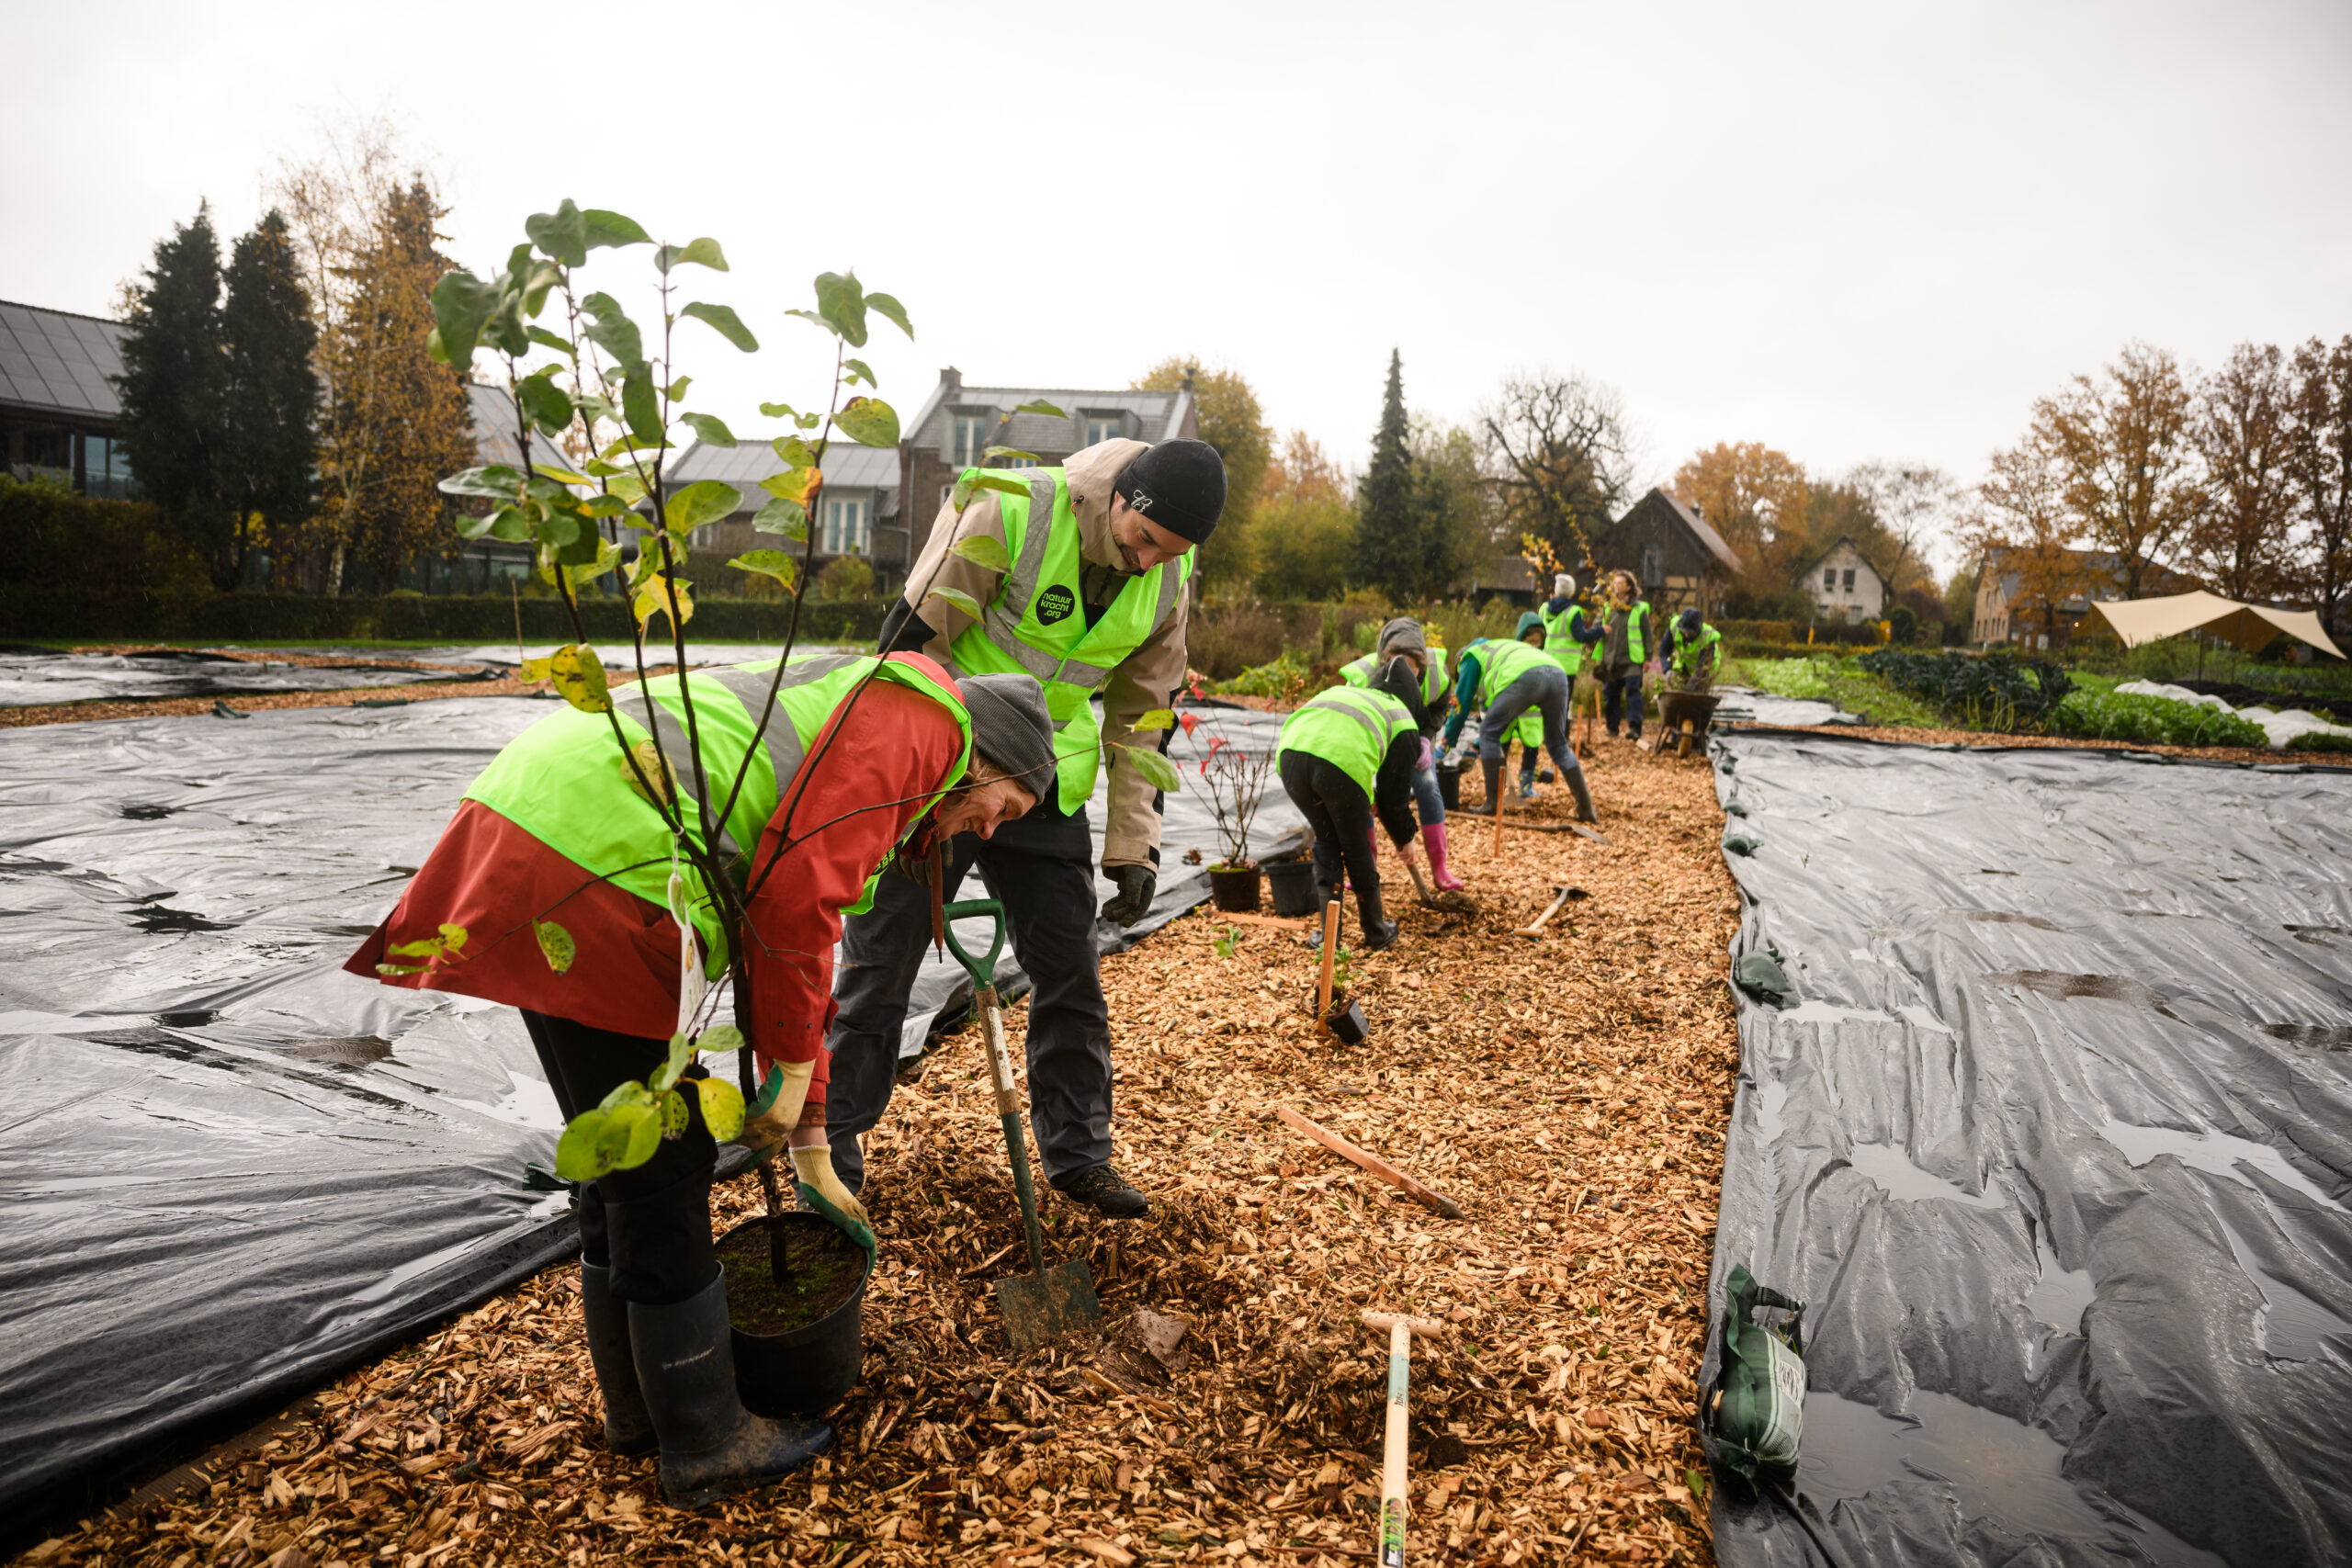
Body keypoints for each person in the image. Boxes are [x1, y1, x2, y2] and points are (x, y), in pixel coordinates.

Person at [348, 653, 1057, 1507]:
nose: (988, 828)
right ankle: (705, 1437)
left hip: (543, 821)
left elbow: (800, 937)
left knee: (617, 1144)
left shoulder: (883, 713)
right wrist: (794, 1068)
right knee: (663, 1159)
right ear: (990, 758)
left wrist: (811, 1137)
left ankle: (639, 1413)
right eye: (1003, 808)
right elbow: (796, 900)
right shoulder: (928, 728)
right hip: (601, 851)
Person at [826, 435, 1226, 1221]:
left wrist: (1134, 846)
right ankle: (831, 1140)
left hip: (1047, 785)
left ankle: (1080, 1155)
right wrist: (904, 787)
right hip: (950, 771)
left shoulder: (1165, 576)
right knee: (883, 959)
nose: (1148, 562)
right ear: (1121, 498)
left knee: (1070, 968)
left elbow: (1143, 718)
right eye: (1143, 539)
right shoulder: (1010, 512)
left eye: (1169, 553)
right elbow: (906, 648)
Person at [1275, 666, 1426, 952]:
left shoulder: (1353, 694)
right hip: (1339, 763)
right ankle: (1376, 930)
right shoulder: (1404, 718)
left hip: (1291, 755)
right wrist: (1406, 839)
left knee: (1327, 839)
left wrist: (1368, 797)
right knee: (1356, 846)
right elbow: (1395, 800)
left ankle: (1328, 936)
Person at [1340, 616, 1464, 891]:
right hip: (1374, 742)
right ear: (1385, 661)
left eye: (1412, 668)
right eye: (1398, 665)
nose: (1406, 675)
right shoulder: (1362, 678)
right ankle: (1365, 867)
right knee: (1362, 796)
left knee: (1429, 785)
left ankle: (1440, 868)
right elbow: (1353, 723)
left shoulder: (1437, 675)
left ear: (1422, 663)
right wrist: (1371, 783)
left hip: (1416, 736)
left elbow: (1439, 708)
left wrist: (1424, 738)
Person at [1438, 625, 1598, 822]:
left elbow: (1460, 706)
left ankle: (1492, 805)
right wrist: (1476, 747)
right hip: (1558, 675)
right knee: (1558, 745)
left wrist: (1444, 745)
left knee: (1488, 732)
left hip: (1528, 677)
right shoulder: (1502, 652)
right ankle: (1586, 809)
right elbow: (1503, 721)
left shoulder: (1470, 656)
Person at [1597, 570, 1655, 741]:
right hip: (1611, 660)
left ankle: (1635, 729)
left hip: (1632, 660)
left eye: (1620, 583)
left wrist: (1648, 657)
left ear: (1629, 587)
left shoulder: (1639, 608)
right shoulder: (1608, 608)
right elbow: (1596, 625)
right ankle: (1612, 728)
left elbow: (1647, 634)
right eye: (1615, 583)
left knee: (1632, 692)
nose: (1616, 586)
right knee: (1611, 694)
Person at [1664, 607, 1723, 688]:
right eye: (1684, 632)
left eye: (1690, 633)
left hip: (1705, 669)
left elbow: (1703, 667)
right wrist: (1667, 669)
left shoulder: (1707, 638)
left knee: (1694, 690)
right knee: (1678, 688)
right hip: (1683, 666)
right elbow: (1664, 650)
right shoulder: (1674, 626)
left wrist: (1692, 684)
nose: (1686, 635)